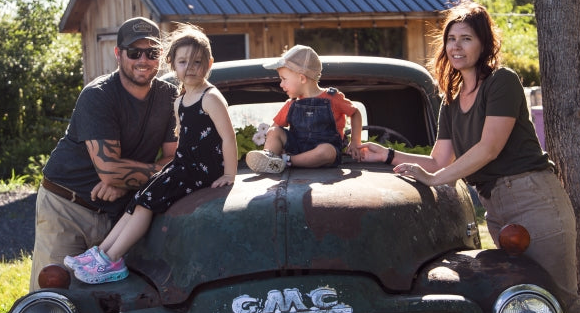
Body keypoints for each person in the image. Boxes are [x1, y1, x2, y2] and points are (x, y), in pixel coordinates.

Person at [361, 0, 580, 313]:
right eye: (451, 39)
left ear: (484, 44)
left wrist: (436, 180)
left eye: (466, 39)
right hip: (497, 208)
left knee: (562, 301)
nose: (456, 47)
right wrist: (386, 156)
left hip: (533, 195)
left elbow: (487, 149)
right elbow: (438, 162)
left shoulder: (501, 82)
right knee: (533, 301)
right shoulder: (451, 99)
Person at [65, 24, 238, 284]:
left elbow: (228, 137)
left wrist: (229, 174)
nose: (190, 67)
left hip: (201, 170)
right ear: (171, 64)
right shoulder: (179, 100)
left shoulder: (211, 97)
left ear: (209, 63)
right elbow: (183, 141)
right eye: (182, 61)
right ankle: (100, 253)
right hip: (183, 166)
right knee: (139, 198)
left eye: (197, 61)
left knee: (147, 204)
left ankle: (113, 259)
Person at [30, 17, 178, 291]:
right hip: (67, 207)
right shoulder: (98, 95)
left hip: (119, 213)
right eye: (134, 52)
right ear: (118, 53)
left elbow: (175, 159)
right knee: (53, 296)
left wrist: (122, 185)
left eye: (152, 52)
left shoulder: (170, 96)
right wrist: (140, 175)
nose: (143, 59)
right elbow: (109, 170)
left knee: (111, 298)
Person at [246, 44, 362, 175]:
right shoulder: (292, 104)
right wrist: (275, 144)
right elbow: (275, 128)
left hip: (323, 153)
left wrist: (355, 142)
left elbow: (355, 112)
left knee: (327, 151)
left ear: (302, 78)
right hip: (296, 147)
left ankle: (286, 161)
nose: (281, 84)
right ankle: (269, 158)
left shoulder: (333, 98)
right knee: (274, 131)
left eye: (284, 79)